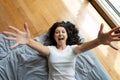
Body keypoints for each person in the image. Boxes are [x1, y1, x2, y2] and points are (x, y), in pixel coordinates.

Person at [2, 21, 120, 80]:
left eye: (63, 32)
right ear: (54, 37)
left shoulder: (73, 49)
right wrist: (28, 40)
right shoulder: (50, 50)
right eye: (57, 32)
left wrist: (99, 40)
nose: (60, 34)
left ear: (67, 36)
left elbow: (86, 46)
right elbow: (37, 46)